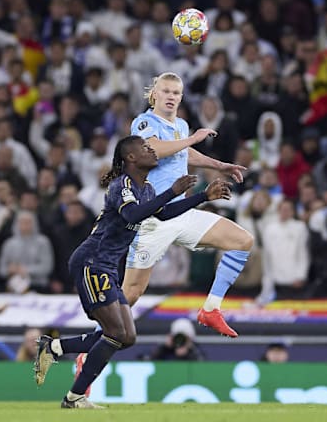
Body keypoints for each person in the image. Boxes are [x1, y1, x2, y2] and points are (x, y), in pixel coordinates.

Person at [33, 135, 231, 409]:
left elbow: (160, 214)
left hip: (107, 267)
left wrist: (202, 197)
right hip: (92, 262)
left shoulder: (146, 188)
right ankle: (74, 396)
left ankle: (54, 349)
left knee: (126, 336)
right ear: (131, 157)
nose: (152, 151)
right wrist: (172, 190)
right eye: (146, 148)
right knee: (116, 333)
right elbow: (132, 215)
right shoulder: (121, 185)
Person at [127, 72, 254, 337]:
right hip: (153, 220)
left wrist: (221, 166)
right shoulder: (143, 123)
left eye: (176, 93)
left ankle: (211, 309)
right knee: (131, 294)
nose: (171, 96)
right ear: (154, 95)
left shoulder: (181, 127)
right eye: (166, 91)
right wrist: (193, 138)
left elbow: (184, 152)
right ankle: (89, 348)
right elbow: (153, 150)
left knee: (242, 241)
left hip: (181, 213)